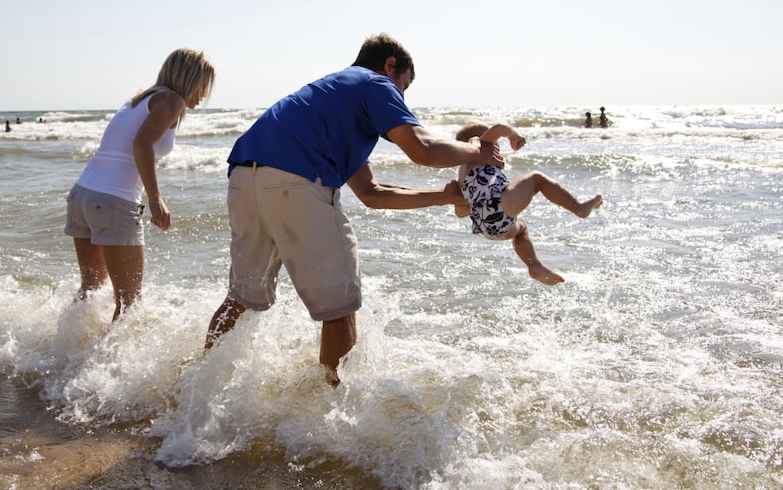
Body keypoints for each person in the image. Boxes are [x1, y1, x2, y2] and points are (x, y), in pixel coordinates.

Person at [204, 33, 503, 384]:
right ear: (390, 65)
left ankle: (197, 389)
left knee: (240, 298)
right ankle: (332, 416)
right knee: (340, 309)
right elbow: (422, 149)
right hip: (294, 181)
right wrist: (478, 153)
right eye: (403, 86)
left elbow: (372, 193)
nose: (401, 97)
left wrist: (446, 195)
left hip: (243, 181)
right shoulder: (375, 82)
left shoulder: (330, 100)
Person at [64, 48, 215, 321]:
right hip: (112, 201)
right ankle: (109, 364)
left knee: (91, 287)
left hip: (83, 195)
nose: (204, 95)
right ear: (189, 79)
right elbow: (141, 144)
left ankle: (65, 352)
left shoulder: (140, 99)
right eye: (203, 86)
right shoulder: (172, 101)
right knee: (129, 302)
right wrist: (156, 198)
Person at [453, 121, 603, 285]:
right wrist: (512, 136)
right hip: (498, 206)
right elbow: (500, 128)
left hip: (486, 228)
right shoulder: (480, 146)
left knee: (521, 229)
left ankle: (534, 265)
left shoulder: (461, 173)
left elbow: (460, 213)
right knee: (536, 178)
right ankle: (578, 208)